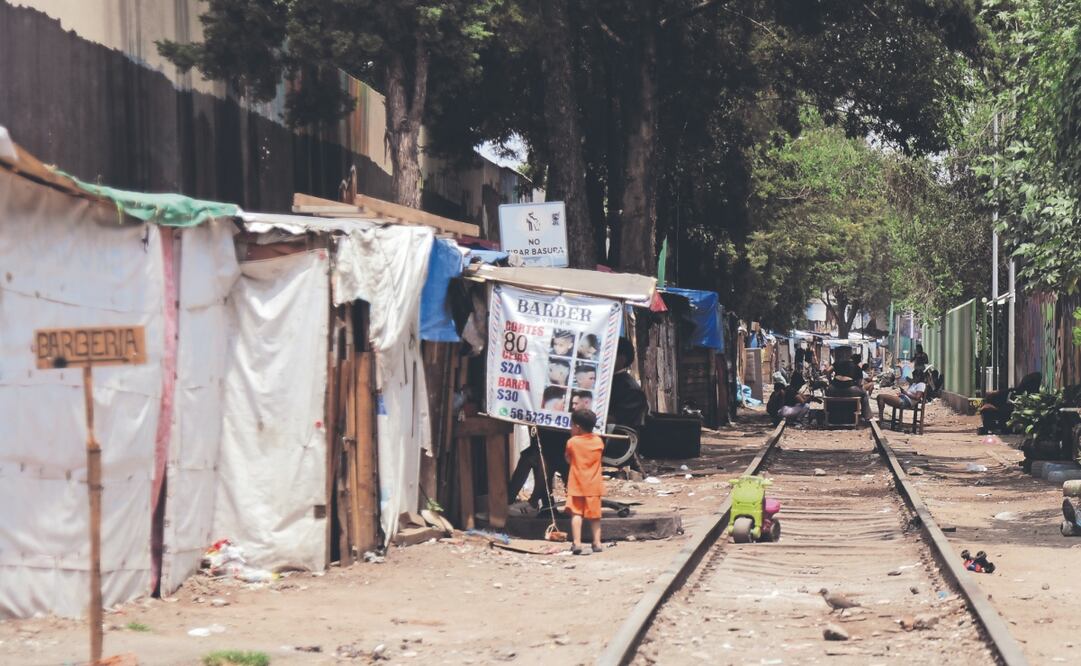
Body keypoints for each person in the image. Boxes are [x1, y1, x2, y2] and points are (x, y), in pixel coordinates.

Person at [564, 408, 605, 555]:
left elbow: (568, 459)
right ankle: (597, 543)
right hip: (594, 486)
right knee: (595, 516)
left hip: (577, 485)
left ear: (577, 427)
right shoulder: (598, 441)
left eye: (571, 425)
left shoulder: (572, 442)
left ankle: (577, 543)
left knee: (576, 515)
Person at [826, 346, 871, 424]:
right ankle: (866, 416)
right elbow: (860, 384)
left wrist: (830, 381)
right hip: (849, 389)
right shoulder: (857, 367)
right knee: (864, 394)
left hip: (834, 389)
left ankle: (829, 413)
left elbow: (828, 371)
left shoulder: (837, 362)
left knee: (827, 391)